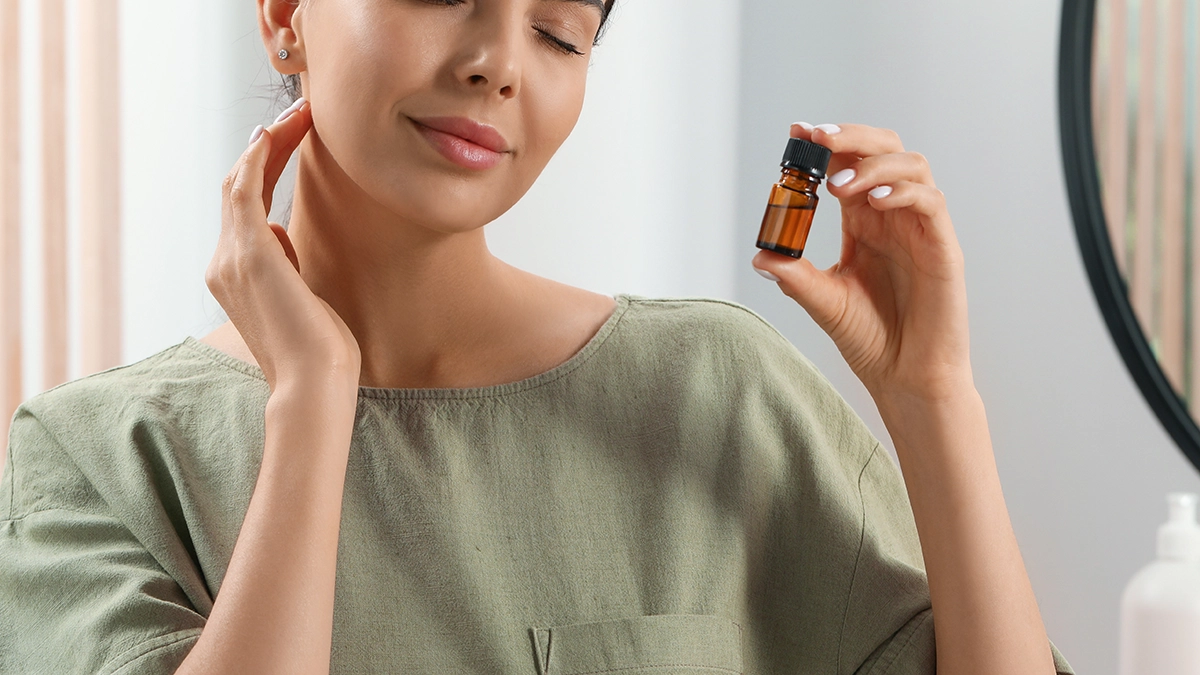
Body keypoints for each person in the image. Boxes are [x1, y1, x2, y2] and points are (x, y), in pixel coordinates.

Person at [0, 0, 1075, 673]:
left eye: (560, 31)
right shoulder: (91, 459)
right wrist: (314, 399)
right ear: (285, 14)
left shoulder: (716, 394)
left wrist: (933, 398)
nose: (497, 62)